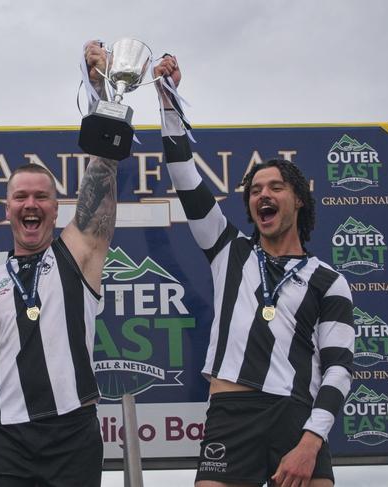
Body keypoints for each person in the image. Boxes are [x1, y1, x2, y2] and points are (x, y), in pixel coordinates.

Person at [153, 57, 355, 487]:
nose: (263, 194)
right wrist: (167, 100)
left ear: (298, 199)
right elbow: (184, 176)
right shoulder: (228, 249)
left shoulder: (329, 280)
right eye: (255, 190)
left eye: (275, 187)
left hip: (297, 416)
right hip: (232, 415)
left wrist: (310, 441)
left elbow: (338, 369)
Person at [0, 41, 116, 487]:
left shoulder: (78, 254)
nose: (30, 204)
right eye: (21, 197)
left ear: (57, 209)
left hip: (72, 433)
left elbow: (102, 174)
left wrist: (100, 93)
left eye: (41, 197)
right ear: (7, 207)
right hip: (2, 437)